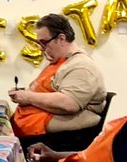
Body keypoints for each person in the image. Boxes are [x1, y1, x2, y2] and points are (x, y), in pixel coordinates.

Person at [8, 13, 106, 142]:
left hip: (48, 140)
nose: (42, 49)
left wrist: (27, 97)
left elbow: (69, 103)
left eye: (44, 43)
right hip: (29, 128)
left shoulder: (82, 66)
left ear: (61, 38)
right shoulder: (62, 61)